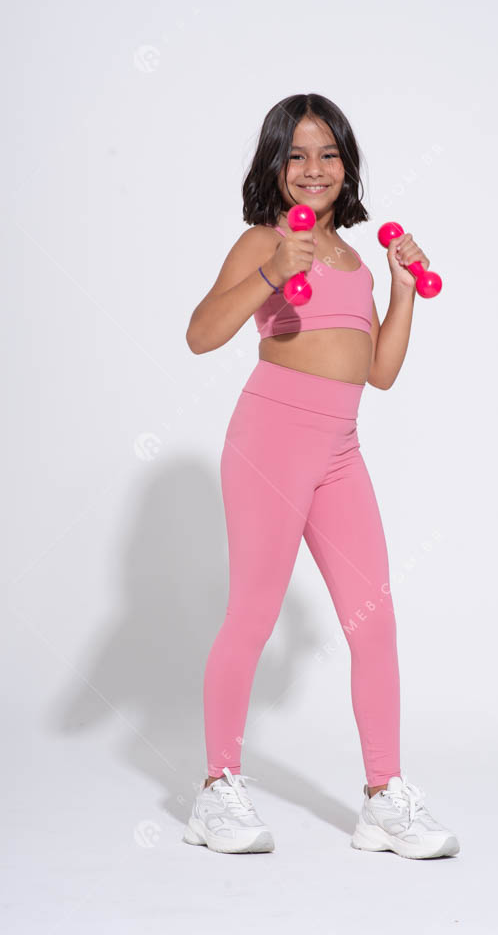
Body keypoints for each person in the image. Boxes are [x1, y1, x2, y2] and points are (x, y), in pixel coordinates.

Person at [182, 93, 459, 860]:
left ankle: (382, 798)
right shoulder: (262, 241)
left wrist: (403, 289)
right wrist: (270, 272)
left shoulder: (352, 260)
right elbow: (200, 335)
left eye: (328, 154)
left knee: (374, 620)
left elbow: (379, 373)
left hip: (340, 450)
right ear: (275, 164)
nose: (313, 168)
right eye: (297, 154)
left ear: (347, 164)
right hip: (269, 442)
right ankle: (216, 789)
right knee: (252, 616)